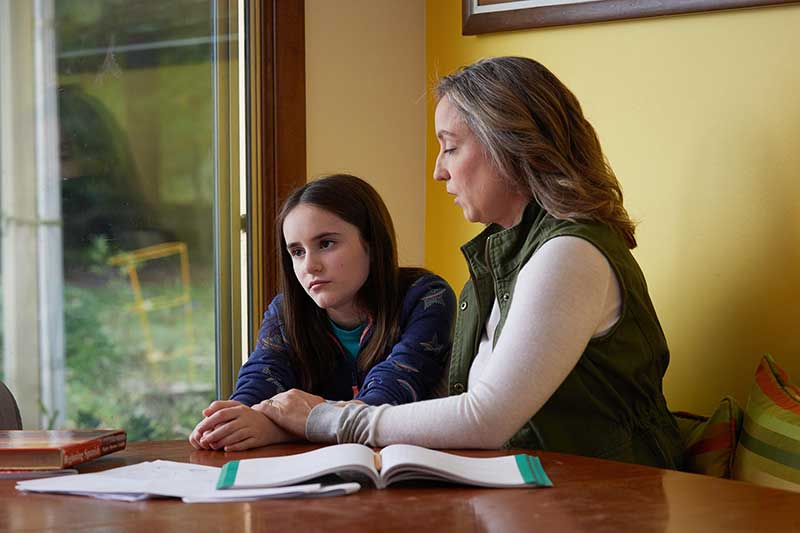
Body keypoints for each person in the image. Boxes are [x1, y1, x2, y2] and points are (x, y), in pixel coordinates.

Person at [254, 57, 684, 469]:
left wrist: (323, 419)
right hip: (543, 485)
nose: (439, 171)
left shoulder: (569, 254)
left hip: (609, 495)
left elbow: (487, 418)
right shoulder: (510, 254)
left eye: (451, 148)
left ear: (509, 145)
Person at [189, 174, 456, 451]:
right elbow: (261, 375)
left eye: (326, 243)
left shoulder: (427, 297)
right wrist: (232, 419)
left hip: (410, 472)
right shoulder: (284, 313)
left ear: (372, 243)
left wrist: (279, 429)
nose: (310, 266)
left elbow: (387, 398)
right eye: (297, 251)